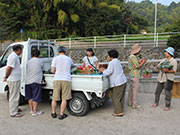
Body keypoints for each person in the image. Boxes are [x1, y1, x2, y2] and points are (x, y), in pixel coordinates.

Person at [100, 50, 127, 117]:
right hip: (122, 81)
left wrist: (102, 71)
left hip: (117, 82)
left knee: (115, 98)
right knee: (121, 97)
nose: (107, 57)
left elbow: (109, 72)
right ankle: (120, 109)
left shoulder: (112, 63)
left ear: (111, 56)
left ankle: (118, 112)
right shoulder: (117, 61)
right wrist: (105, 70)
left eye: (108, 56)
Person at [51, 46, 74, 120]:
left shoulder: (55, 58)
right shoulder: (69, 59)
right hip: (66, 79)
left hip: (57, 79)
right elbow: (72, 67)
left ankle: (53, 113)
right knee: (64, 98)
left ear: (58, 52)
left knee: (54, 98)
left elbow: (52, 71)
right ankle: (61, 114)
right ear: (65, 51)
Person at [153, 47, 177, 111]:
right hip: (161, 78)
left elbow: (174, 70)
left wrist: (167, 70)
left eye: (166, 52)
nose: (165, 53)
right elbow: (158, 66)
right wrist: (159, 67)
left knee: (167, 92)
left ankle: (167, 105)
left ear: (169, 53)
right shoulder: (163, 60)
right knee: (157, 91)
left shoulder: (173, 61)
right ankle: (156, 102)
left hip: (168, 78)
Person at [3, 45, 23, 117]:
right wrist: (6, 76)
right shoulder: (13, 57)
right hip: (13, 79)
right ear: (18, 50)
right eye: (20, 50)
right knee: (14, 96)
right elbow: (9, 68)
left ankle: (15, 108)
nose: (21, 52)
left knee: (16, 95)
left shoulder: (15, 56)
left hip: (16, 79)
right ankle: (13, 112)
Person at [25, 49, 44, 116]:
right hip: (36, 81)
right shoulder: (40, 61)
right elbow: (43, 70)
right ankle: (35, 111)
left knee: (30, 96)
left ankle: (31, 110)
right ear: (38, 55)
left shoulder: (28, 62)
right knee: (36, 96)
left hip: (27, 81)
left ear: (32, 55)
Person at [128, 44, 146, 109]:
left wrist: (139, 62)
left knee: (131, 89)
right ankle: (134, 104)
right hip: (135, 74)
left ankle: (130, 102)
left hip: (131, 74)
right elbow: (137, 66)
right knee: (135, 89)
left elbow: (134, 65)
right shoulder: (133, 57)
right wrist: (143, 62)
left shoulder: (131, 56)